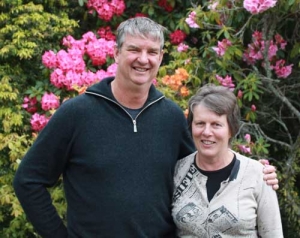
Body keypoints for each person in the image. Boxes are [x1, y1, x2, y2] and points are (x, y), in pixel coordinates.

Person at [13, 17, 278, 238]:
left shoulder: (172, 117)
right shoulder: (77, 114)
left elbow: (204, 166)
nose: (143, 59)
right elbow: (28, 180)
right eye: (134, 49)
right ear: (116, 52)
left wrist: (255, 175)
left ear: (161, 57)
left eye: (152, 52)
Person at [172, 84, 283, 237]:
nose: (207, 132)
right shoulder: (177, 172)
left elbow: (273, 234)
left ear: (231, 129)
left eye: (216, 125)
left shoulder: (258, 175)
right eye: (200, 123)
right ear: (191, 126)